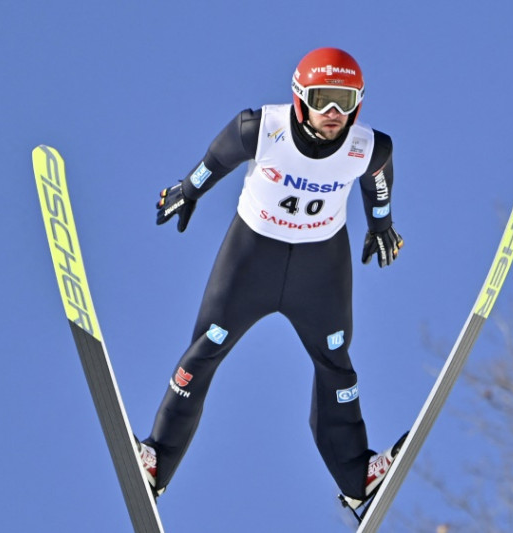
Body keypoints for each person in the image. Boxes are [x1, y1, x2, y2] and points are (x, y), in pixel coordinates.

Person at [138, 47, 406, 509]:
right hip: (251, 258)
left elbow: (377, 181)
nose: (333, 113)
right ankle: (157, 461)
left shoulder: (369, 146)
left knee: (336, 362)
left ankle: (357, 476)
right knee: (205, 348)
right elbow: (215, 161)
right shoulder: (260, 127)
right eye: (322, 99)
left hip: (320, 269)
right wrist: (187, 189)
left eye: (344, 100)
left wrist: (382, 225)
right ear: (301, 98)